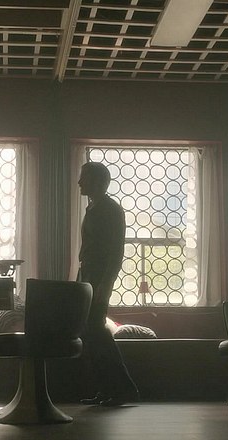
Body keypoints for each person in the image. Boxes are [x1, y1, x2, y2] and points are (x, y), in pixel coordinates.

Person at [76, 161, 140, 407]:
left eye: (84, 177)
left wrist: (105, 285)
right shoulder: (93, 208)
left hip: (98, 278)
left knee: (97, 332)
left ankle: (124, 389)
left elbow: (115, 253)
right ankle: (108, 388)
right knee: (90, 334)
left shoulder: (111, 209)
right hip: (88, 276)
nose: (79, 182)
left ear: (97, 181)